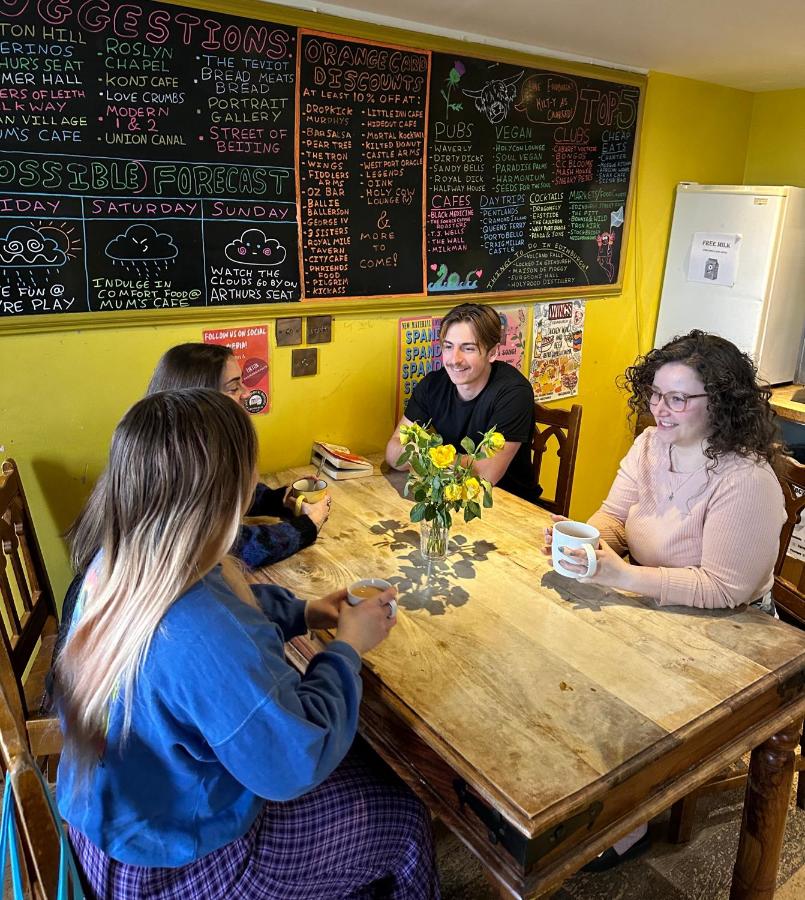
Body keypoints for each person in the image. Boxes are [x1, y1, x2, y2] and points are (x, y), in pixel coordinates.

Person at [55, 389, 440, 899]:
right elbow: (294, 762)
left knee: (361, 773)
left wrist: (305, 611)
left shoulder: (120, 564)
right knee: (405, 816)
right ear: (224, 497)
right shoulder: (202, 633)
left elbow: (231, 608)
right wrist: (347, 647)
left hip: (106, 825)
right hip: (176, 866)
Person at [542, 330, 786, 869]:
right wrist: (588, 541)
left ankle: (626, 819)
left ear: (719, 402)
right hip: (655, 599)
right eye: (655, 393)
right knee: (555, 648)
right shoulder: (651, 445)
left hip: (732, 629)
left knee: (614, 684)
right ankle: (579, 790)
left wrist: (624, 576)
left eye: (678, 398)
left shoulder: (745, 478)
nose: (660, 409)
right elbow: (614, 514)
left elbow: (724, 588)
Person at [147, 342, 330, 568]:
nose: (247, 393)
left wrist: (278, 500)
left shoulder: (189, 445)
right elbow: (231, 547)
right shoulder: (175, 469)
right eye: (234, 388)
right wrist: (309, 525)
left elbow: (224, 495)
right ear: (199, 400)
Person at [386, 303, 539, 502]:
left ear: (492, 353)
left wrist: (427, 456)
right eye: (448, 347)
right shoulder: (433, 385)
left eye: (468, 348)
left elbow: (485, 473)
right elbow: (393, 451)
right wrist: (436, 457)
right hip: (451, 496)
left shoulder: (514, 393)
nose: (454, 359)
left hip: (509, 504)